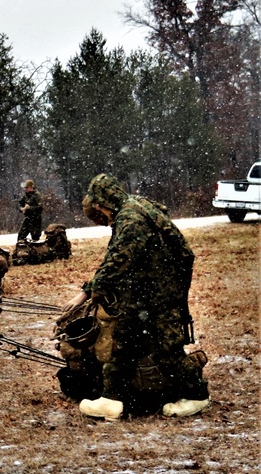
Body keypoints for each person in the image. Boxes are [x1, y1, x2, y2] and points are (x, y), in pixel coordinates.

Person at [59, 173, 210, 421]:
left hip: (155, 295)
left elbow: (118, 260)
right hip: (143, 293)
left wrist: (86, 293)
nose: (104, 221)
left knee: (166, 349)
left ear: (100, 204)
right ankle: (111, 399)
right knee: (125, 342)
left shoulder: (130, 219)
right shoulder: (139, 205)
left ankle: (197, 395)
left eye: (100, 214)